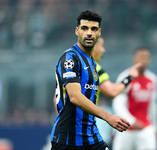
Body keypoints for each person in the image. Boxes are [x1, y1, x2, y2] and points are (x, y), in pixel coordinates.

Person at [50, 9, 134, 150]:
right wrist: (108, 117)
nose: (89, 32)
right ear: (77, 31)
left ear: (99, 33)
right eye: (85, 28)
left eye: (94, 29)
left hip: (91, 137)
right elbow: (75, 97)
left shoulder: (92, 63)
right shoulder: (70, 58)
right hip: (67, 141)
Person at [112, 47, 157, 150]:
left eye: (146, 57)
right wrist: (132, 121)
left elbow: (153, 105)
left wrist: (155, 128)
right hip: (126, 128)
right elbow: (118, 104)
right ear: (134, 59)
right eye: (141, 57)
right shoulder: (126, 76)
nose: (144, 60)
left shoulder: (152, 79)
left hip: (145, 127)